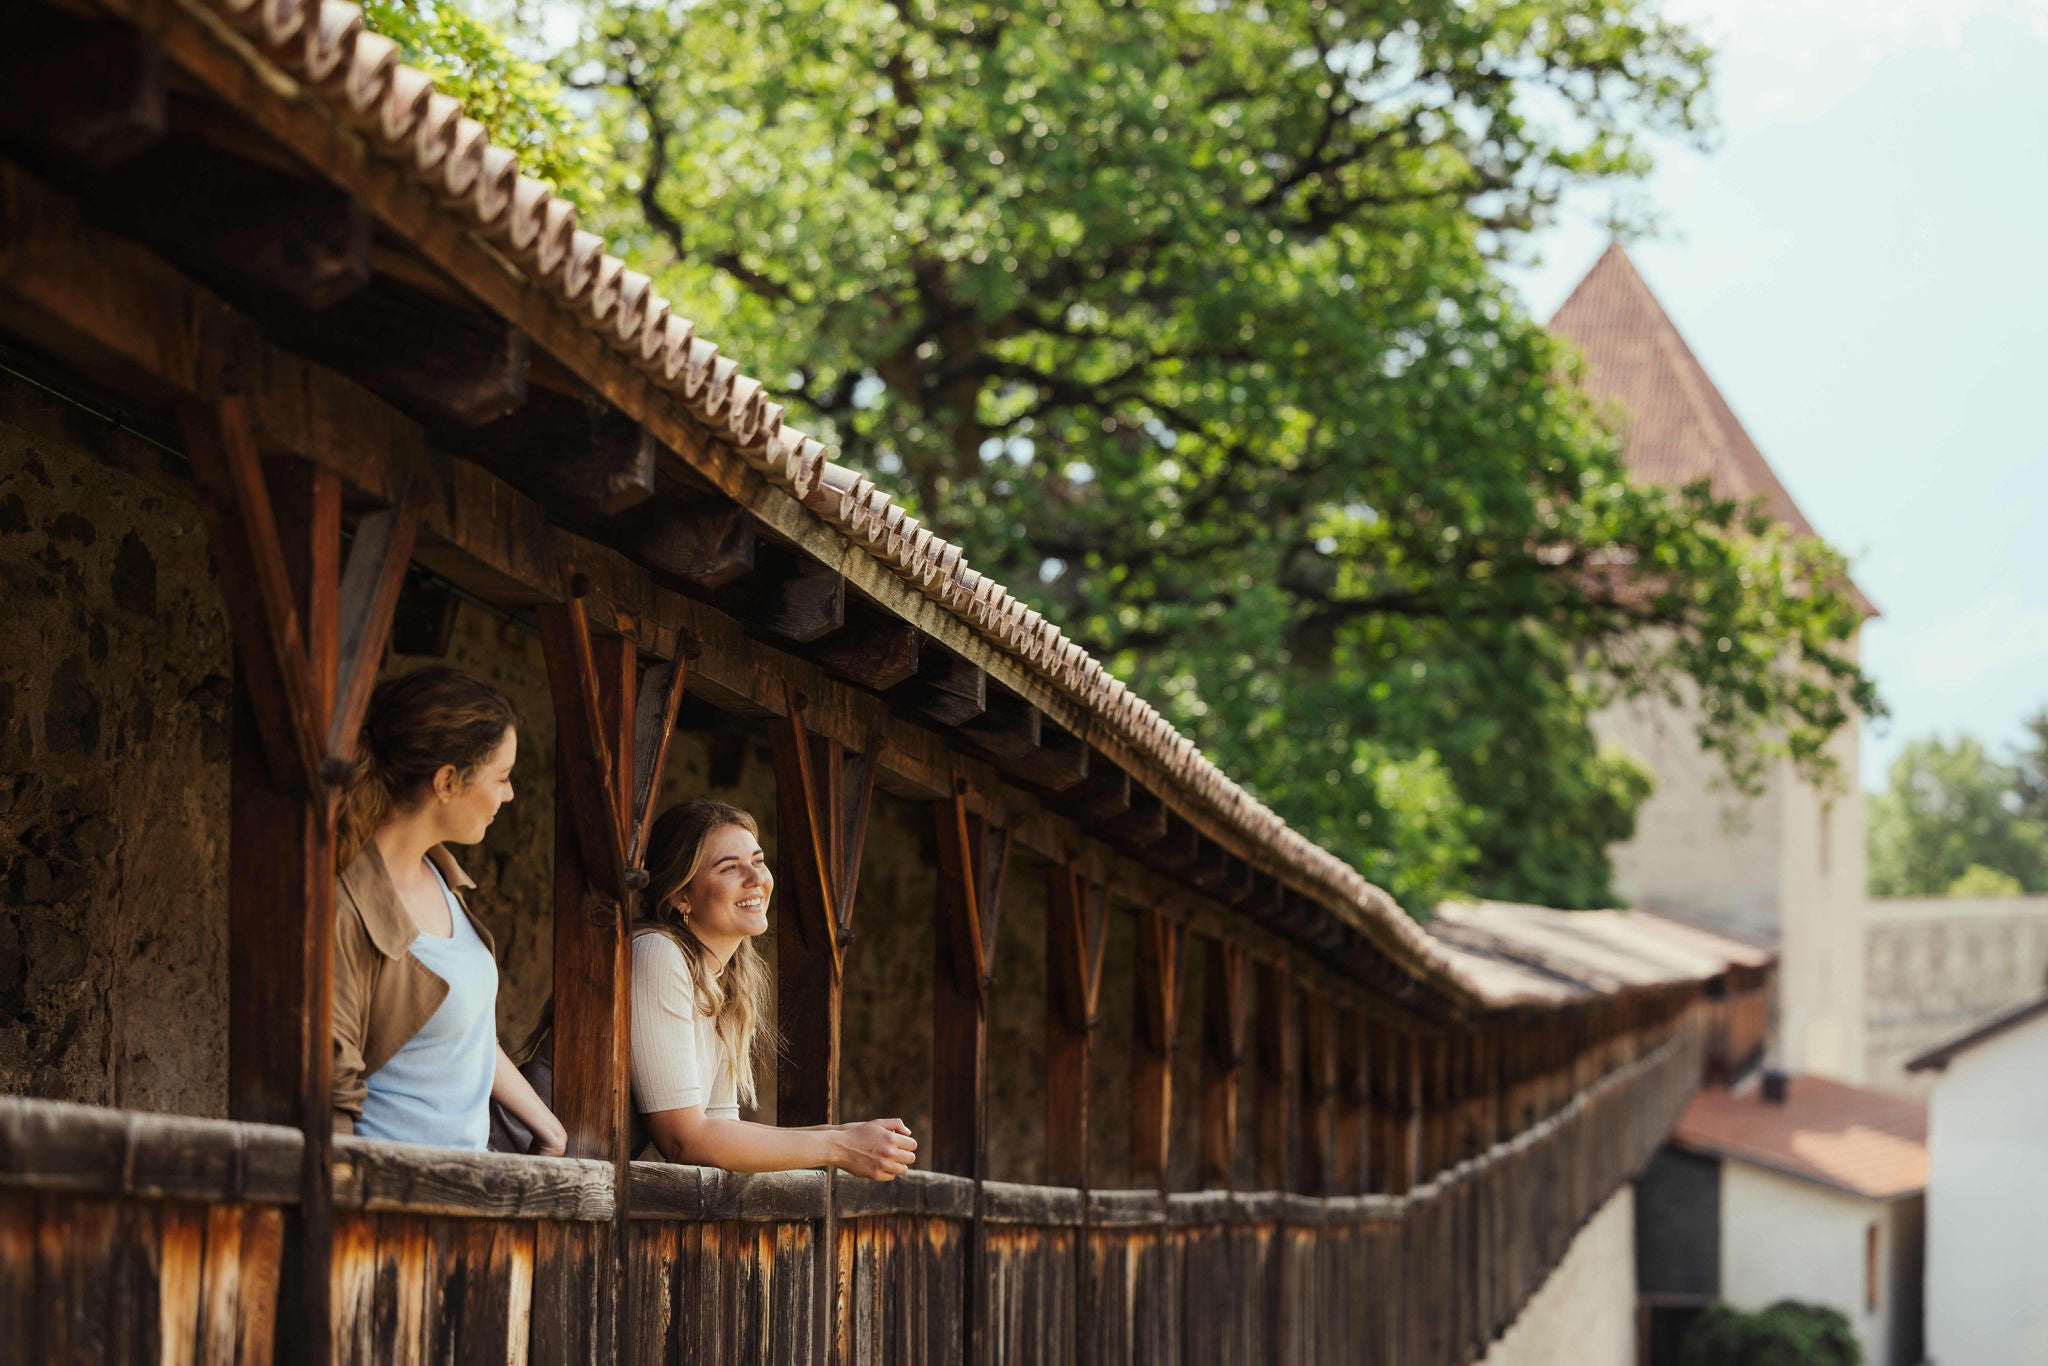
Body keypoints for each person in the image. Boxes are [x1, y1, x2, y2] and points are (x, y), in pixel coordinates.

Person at [330, 666, 566, 1156]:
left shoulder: (445, 877)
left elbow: (461, 1029)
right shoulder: (346, 904)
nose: (510, 793)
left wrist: (546, 1125)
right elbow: (329, 1087)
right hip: (388, 1202)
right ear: (447, 782)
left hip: (461, 1199)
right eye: (501, 777)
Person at [629, 799, 918, 1180]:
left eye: (758, 860)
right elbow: (685, 1141)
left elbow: (719, 1130)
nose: (756, 878)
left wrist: (846, 1134)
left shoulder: (724, 982)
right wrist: (840, 1147)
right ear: (681, 896)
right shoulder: (656, 953)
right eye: (729, 867)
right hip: (535, 1165)